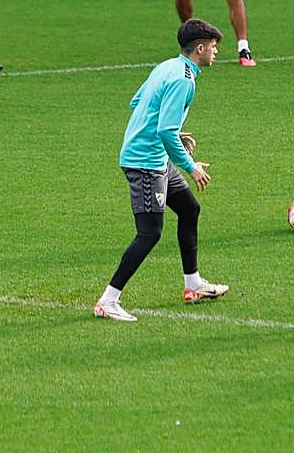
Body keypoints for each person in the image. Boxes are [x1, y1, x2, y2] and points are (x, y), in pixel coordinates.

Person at [93, 18, 229, 323]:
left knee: (189, 209)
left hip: (157, 160)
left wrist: (174, 134)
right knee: (149, 233)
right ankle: (108, 300)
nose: (216, 53)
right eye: (214, 47)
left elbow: (138, 101)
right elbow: (165, 130)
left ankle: (193, 284)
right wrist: (190, 166)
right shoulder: (184, 80)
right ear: (200, 47)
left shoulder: (167, 66)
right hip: (145, 164)